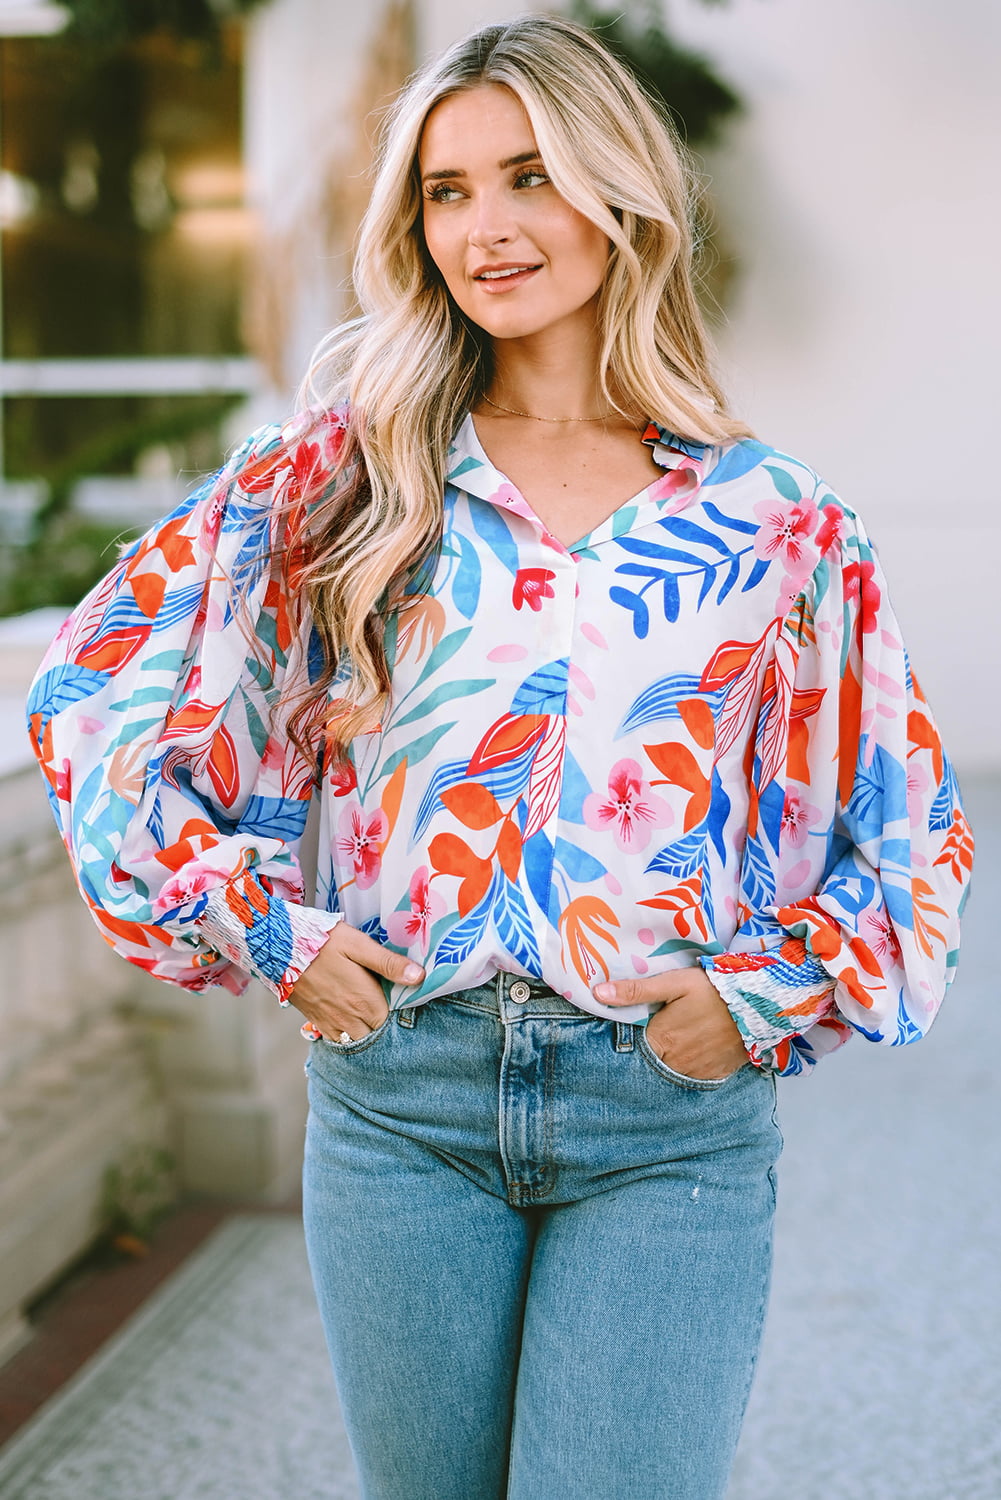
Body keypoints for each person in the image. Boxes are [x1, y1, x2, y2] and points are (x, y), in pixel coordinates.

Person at [27, 16, 972, 1500]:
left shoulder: (774, 519)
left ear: (619, 193)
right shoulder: (343, 473)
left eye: (527, 176)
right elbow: (97, 691)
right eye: (445, 192)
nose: (483, 227)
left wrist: (751, 998)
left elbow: (909, 823)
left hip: (661, 1121)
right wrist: (272, 930)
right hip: (402, 1101)